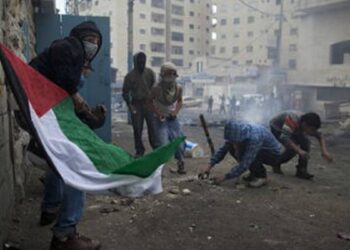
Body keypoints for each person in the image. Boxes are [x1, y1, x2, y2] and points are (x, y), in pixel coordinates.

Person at [28, 21, 105, 250]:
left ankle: (50, 208)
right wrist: (76, 97)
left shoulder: (71, 59)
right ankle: (64, 235)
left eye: (97, 43)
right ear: (79, 37)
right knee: (77, 165)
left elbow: (65, 95)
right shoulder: (69, 47)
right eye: (90, 39)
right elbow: (65, 85)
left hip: (43, 112)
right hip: (43, 113)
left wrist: (89, 114)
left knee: (58, 162)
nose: (92, 45)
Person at [199, 120, 283, 187]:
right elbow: (222, 150)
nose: (234, 143)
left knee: (250, 155)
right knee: (231, 147)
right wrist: (209, 166)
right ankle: (254, 172)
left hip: (273, 154)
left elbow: (246, 161)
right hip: (260, 149)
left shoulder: (255, 138)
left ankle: (261, 176)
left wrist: (225, 176)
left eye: (236, 141)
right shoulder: (236, 132)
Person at [147, 62, 186, 174]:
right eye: (168, 74)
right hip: (159, 119)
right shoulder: (156, 88)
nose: (170, 76)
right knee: (162, 144)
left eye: (173, 74)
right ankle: (159, 171)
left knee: (178, 142)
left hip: (173, 119)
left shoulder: (178, 88)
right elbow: (148, 101)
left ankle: (181, 165)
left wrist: (175, 111)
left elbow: (179, 102)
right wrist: (158, 113)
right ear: (162, 74)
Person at [270, 111, 333, 179]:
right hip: (277, 127)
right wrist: (299, 150)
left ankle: (301, 170)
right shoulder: (292, 120)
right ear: (305, 124)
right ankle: (276, 163)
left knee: (305, 143)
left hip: (295, 128)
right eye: (311, 129)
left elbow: (320, 135)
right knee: (292, 149)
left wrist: (324, 151)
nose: (312, 132)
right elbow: (284, 137)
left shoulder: (307, 123)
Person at [122, 52, 156, 157]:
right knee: (137, 129)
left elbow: (153, 86)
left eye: (143, 61)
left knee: (153, 127)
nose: (141, 63)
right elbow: (125, 92)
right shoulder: (129, 76)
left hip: (148, 104)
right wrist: (130, 106)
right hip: (136, 104)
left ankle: (156, 148)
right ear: (135, 62)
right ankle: (139, 150)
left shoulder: (150, 73)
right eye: (139, 62)